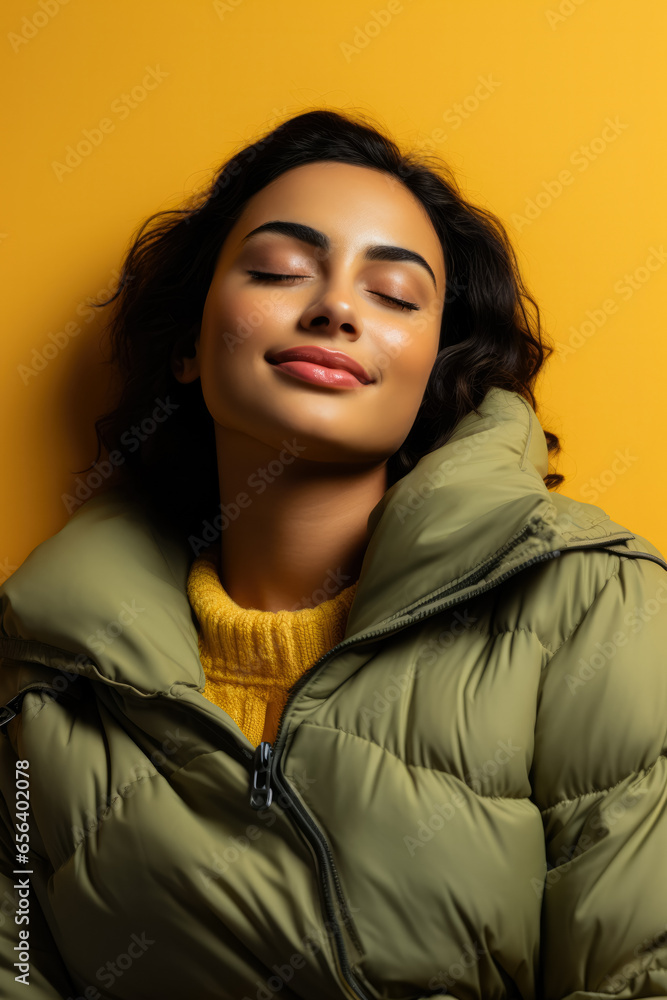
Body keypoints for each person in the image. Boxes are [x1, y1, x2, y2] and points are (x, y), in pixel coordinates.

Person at [1, 108, 666, 1000]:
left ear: (434, 370)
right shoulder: (41, 667)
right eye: (279, 271)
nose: (335, 307)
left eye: (394, 295)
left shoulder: (592, 603)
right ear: (189, 347)